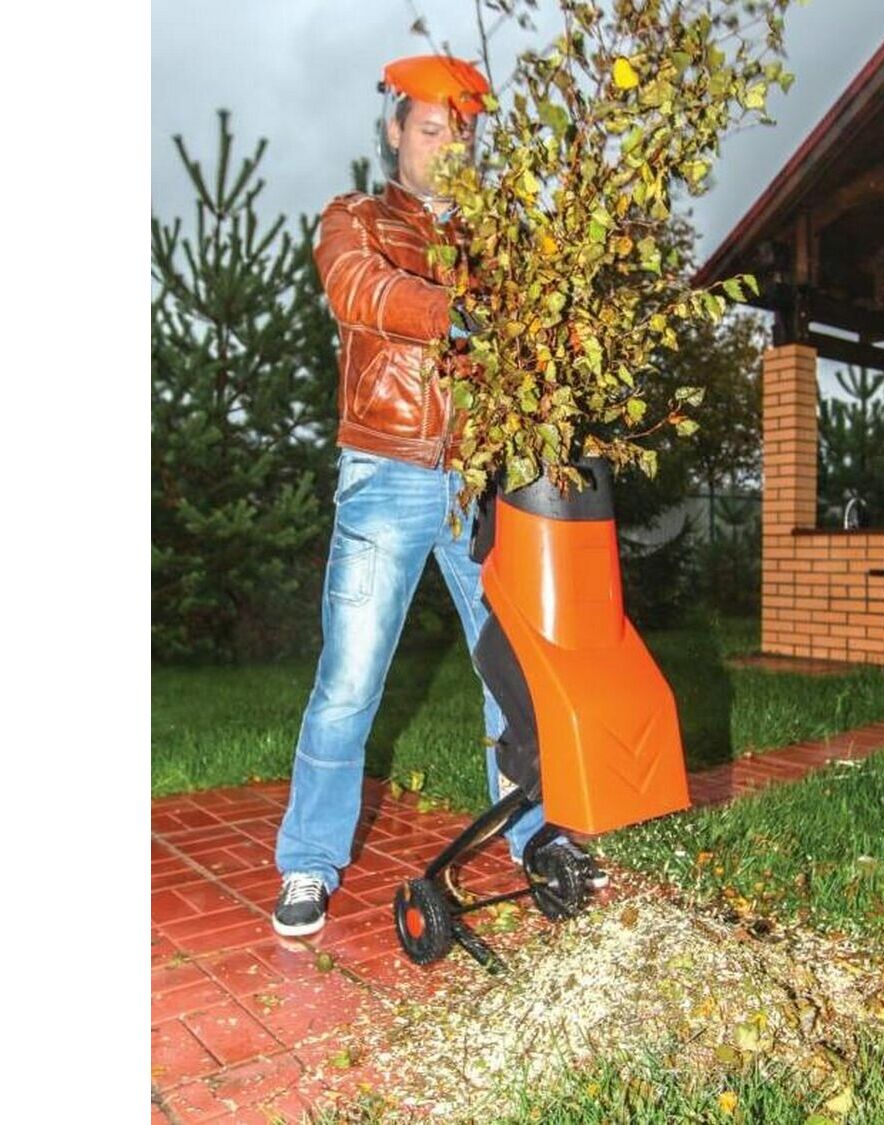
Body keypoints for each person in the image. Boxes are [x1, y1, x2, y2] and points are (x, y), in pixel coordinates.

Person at [272, 56, 604, 938]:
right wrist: (457, 309)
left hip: (479, 479)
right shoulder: (357, 219)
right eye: (429, 129)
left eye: (461, 134)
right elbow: (357, 290)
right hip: (384, 469)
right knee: (349, 681)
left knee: (513, 669)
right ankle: (308, 859)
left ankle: (536, 836)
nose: (446, 147)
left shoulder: (498, 241)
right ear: (393, 131)